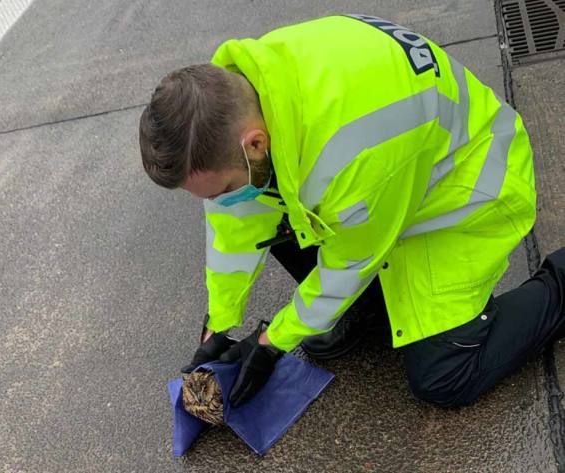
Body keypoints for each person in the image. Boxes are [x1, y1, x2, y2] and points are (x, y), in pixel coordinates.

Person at [138, 14, 565, 408]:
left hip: (469, 194)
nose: (220, 203)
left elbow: (351, 261)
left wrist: (271, 342)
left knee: (444, 377)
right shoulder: (246, 91)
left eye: (223, 190)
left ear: (254, 143)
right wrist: (220, 323)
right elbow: (236, 224)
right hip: (396, 184)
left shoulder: (353, 151)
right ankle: (366, 307)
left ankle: (560, 285)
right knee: (266, 199)